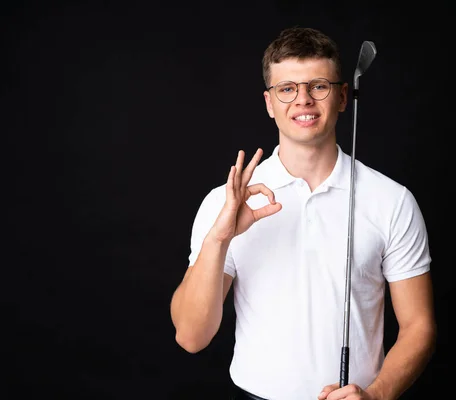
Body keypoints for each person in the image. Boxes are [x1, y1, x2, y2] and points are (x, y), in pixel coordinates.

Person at [170, 27, 436, 400]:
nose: (303, 100)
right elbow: (191, 337)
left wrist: (376, 396)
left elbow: (419, 326)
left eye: (319, 86)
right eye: (287, 89)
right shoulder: (225, 203)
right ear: (269, 102)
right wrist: (220, 236)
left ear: (343, 96)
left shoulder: (392, 201)